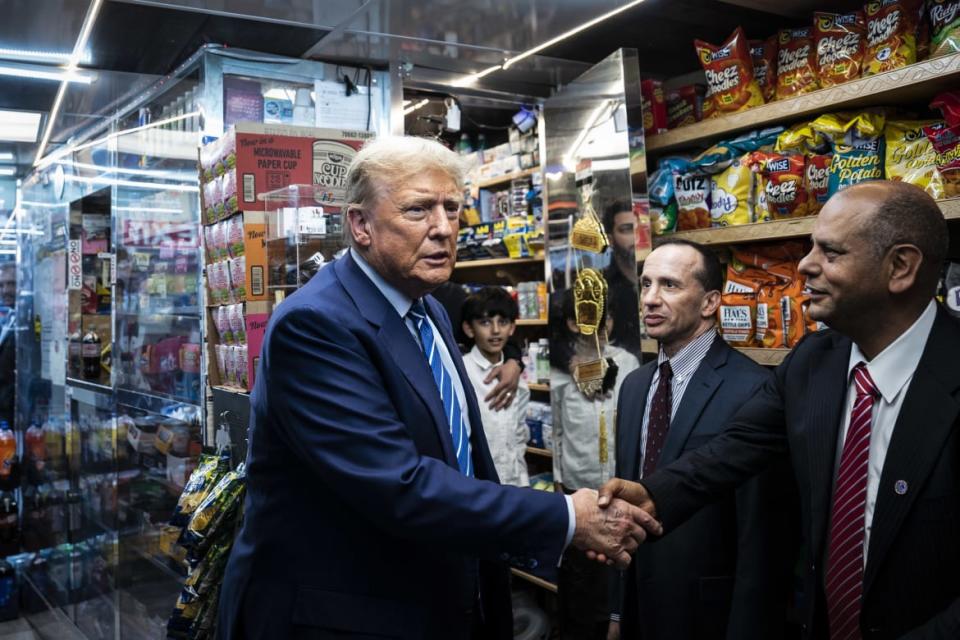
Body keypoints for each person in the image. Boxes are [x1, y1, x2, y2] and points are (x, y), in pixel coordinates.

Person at [217, 136, 661, 640]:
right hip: (347, 616)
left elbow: (461, 457)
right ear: (360, 224)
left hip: (441, 597)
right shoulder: (315, 325)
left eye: (452, 207)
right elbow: (400, 485)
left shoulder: (426, 309)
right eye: (418, 210)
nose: (444, 228)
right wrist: (565, 517)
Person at [596, 181, 960, 639]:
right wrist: (652, 496)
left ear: (900, 267)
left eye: (830, 252)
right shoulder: (813, 361)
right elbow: (733, 448)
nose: (805, 265)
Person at [608, 240, 796, 640]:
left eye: (670, 286)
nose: (651, 299)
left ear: (710, 302)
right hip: (639, 605)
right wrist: (617, 611)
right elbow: (625, 503)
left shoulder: (754, 389)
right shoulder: (635, 385)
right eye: (645, 285)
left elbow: (760, 537)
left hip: (708, 612)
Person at [550, 288, 641, 640]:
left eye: (607, 322)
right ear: (573, 323)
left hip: (619, 485)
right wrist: (559, 479)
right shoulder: (560, 371)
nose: (601, 331)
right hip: (577, 484)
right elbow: (558, 429)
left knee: (618, 569)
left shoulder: (628, 363)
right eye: (591, 323)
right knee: (581, 576)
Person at [460, 286, 529, 487]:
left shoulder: (518, 379)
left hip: (513, 483)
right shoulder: (461, 372)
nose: (496, 330)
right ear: (469, 329)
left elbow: (518, 437)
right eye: (485, 322)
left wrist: (523, 483)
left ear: (512, 327)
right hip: (476, 485)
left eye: (503, 322)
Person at [602, 200, 642, 358]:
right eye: (627, 230)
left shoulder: (661, 275)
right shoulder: (603, 288)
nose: (637, 236)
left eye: (640, 228)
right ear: (610, 240)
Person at [0, 262, 15, 427]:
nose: (5, 290)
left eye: (11, 284)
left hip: (14, 410)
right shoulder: (9, 318)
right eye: (1, 285)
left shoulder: (31, 318)